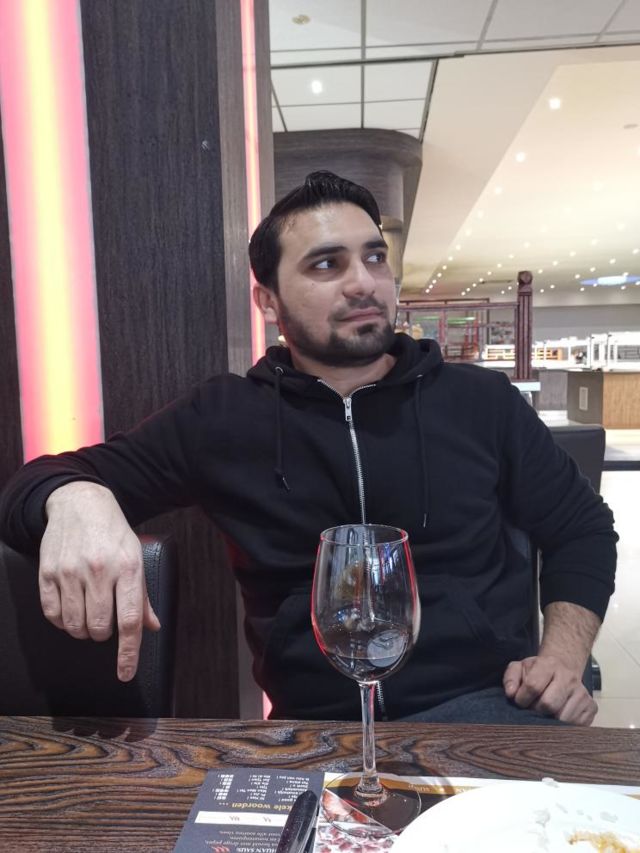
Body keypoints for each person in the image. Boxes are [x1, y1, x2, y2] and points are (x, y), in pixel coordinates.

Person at [0, 171, 616, 726]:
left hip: (485, 707)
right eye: (326, 265)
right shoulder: (223, 418)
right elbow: (32, 488)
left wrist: (562, 659)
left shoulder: (480, 401)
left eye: (374, 257)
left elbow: (582, 528)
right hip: (316, 725)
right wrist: (76, 497)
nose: (363, 282)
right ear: (268, 301)